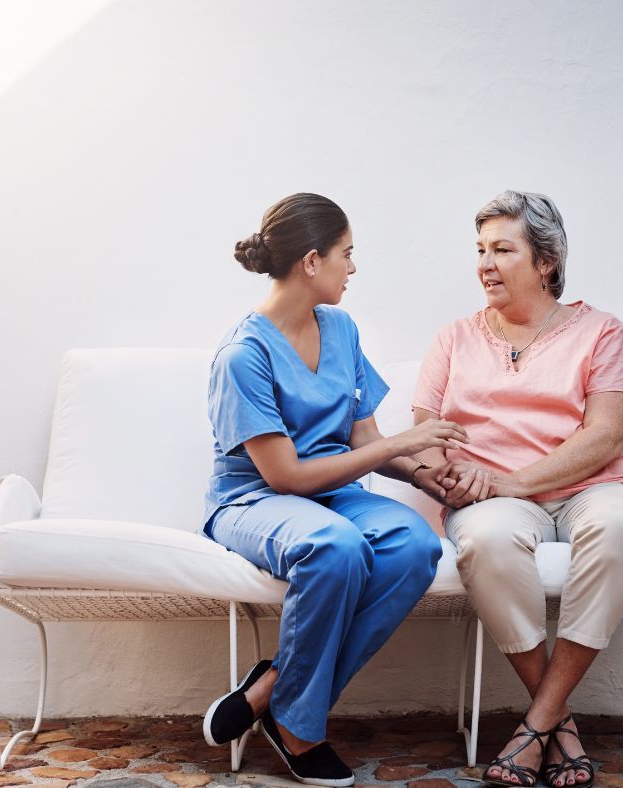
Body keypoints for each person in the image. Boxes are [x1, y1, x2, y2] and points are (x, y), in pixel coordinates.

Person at [201, 193, 468, 787]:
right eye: (348, 254)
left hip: (334, 494)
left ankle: (274, 689)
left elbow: (364, 436)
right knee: (335, 546)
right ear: (312, 262)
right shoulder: (243, 355)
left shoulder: (341, 329)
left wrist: (423, 473)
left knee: (412, 545)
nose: (354, 268)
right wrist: (401, 445)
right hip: (256, 501)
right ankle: (299, 728)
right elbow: (285, 477)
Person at [412, 191, 623, 788]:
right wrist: (454, 476)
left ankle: (537, 722)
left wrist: (515, 480)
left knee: (621, 523)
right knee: (489, 541)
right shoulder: (454, 337)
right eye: (480, 250)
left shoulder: (602, 331)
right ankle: (559, 724)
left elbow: (607, 435)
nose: (485, 264)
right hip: (489, 499)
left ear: (545, 261)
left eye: (502, 249)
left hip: (594, 486)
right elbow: (423, 434)